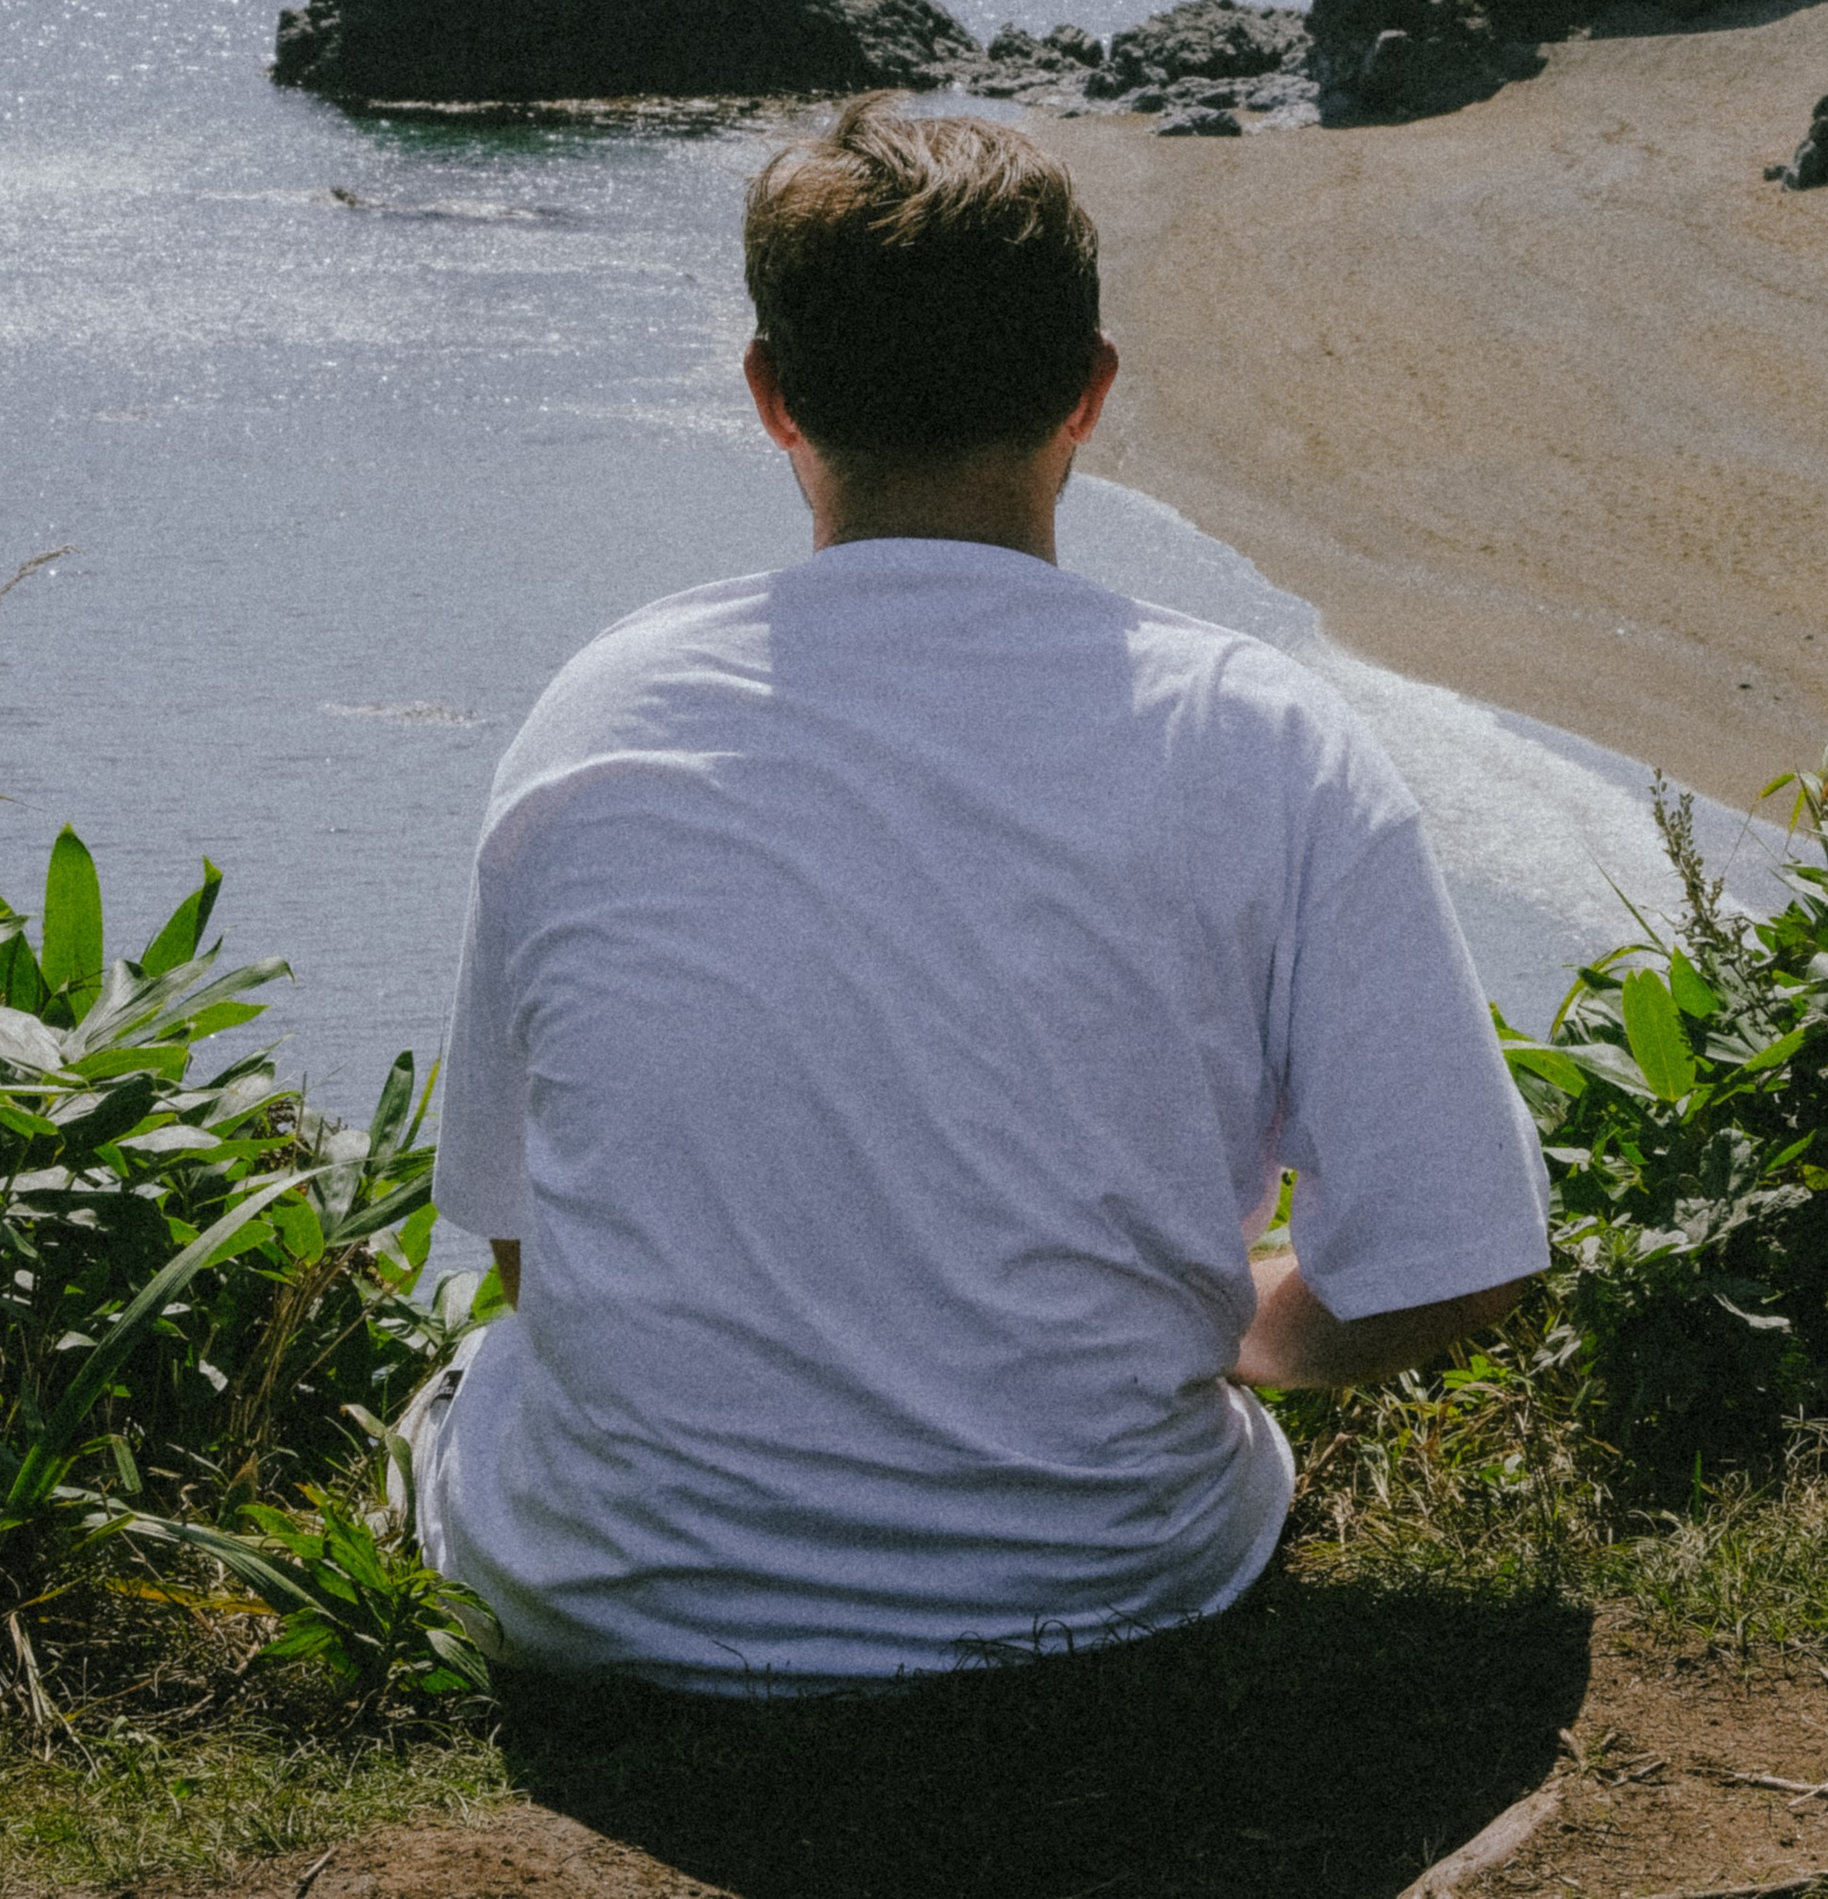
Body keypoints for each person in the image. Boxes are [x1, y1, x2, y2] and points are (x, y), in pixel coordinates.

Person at [414, 95, 1547, 1690]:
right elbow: (1462, 1260)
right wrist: (1245, 1329)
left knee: (465, 1396)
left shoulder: (601, 713)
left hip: (621, 1600)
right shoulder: (1259, 736)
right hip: (1111, 1580)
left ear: (769, 397)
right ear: (1087, 393)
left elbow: (527, 1252)